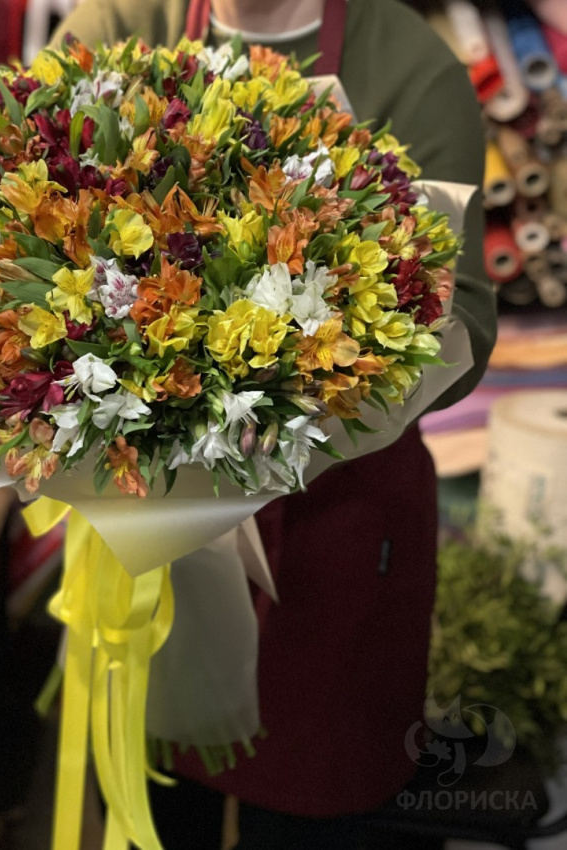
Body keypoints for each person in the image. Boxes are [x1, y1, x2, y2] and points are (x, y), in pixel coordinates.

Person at [49, 1, 497, 847]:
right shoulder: (120, 23)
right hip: (148, 538)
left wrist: (301, 405)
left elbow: (461, 319)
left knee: (316, 800)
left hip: (335, 533)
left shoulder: (411, 68)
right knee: (152, 801)